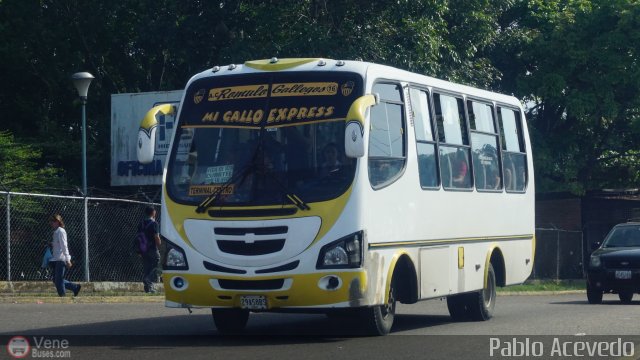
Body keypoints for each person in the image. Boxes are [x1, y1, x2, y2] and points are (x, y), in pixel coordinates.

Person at [48, 214, 81, 297]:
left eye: (53, 221)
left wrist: (67, 259)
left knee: (58, 280)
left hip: (61, 259)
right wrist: (52, 244)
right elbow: (58, 244)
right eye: (51, 221)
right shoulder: (56, 232)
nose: (51, 223)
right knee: (56, 280)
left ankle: (62, 296)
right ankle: (75, 287)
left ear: (58, 222)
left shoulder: (61, 231)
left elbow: (64, 246)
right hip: (56, 258)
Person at [139, 206, 161, 293]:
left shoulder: (141, 223)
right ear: (153, 213)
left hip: (143, 249)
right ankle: (148, 279)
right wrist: (160, 246)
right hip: (152, 248)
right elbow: (157, 237)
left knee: (147, 267)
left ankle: (148, 288)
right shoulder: (154, 224)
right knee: (158, 264)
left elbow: (139, 237)